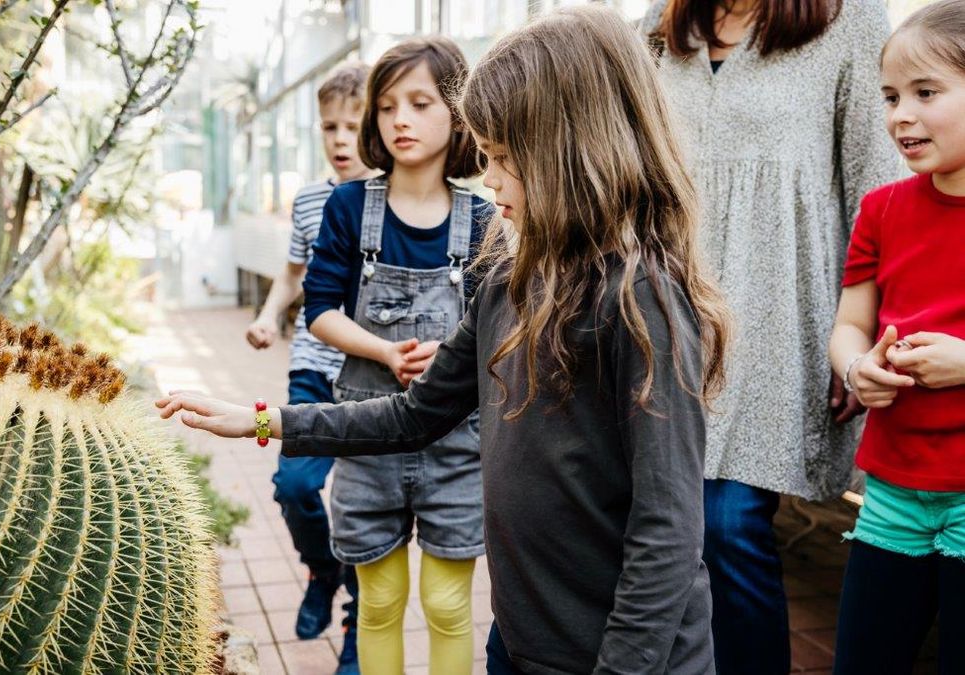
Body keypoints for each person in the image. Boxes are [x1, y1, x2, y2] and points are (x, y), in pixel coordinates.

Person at [158, 7, 731, 673]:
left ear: (573, 151)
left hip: (621, 659)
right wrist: (262, 420)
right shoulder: (506, 278)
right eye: (487, 157)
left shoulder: (642, 300)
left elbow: (667, 532)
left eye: (506, 160)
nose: (489, 180)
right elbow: (415, 412)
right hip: (519, 643)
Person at [640, 1, 901, 671]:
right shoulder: (657, 29)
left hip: (779, 320)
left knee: (725, 525)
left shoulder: (853, 25)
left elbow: (879, 189)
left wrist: (859, 334)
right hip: (659, 319)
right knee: (659, 533)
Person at [301, 36, 494, 673]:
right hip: (367, 437)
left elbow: (498, 328)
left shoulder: (485, 220)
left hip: (456, 441)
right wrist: (385, 351)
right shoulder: (350, 205)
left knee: (445, 604)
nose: (400, 120)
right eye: (387, 107)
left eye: (420, 103)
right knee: (379, 602)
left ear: (458, 113)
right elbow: (320, 309)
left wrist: (455, 355)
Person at [829, 2, 965, 671]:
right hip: (890, 492)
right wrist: (857, 369)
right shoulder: (881, 209)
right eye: (889, 97)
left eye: (925, 93)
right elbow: (850, 323)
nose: (899, 116)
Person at [243, 63, 373, 674]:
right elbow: (294, 275)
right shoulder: (308, 200)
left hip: (375, 384)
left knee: (362, 507)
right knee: (293, 484)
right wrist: (271, 316)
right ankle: (322, 570)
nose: (341, 139)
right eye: (329, 127)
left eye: (353, 125)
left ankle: (355, 628)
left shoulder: (395, 200)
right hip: (311, 371)